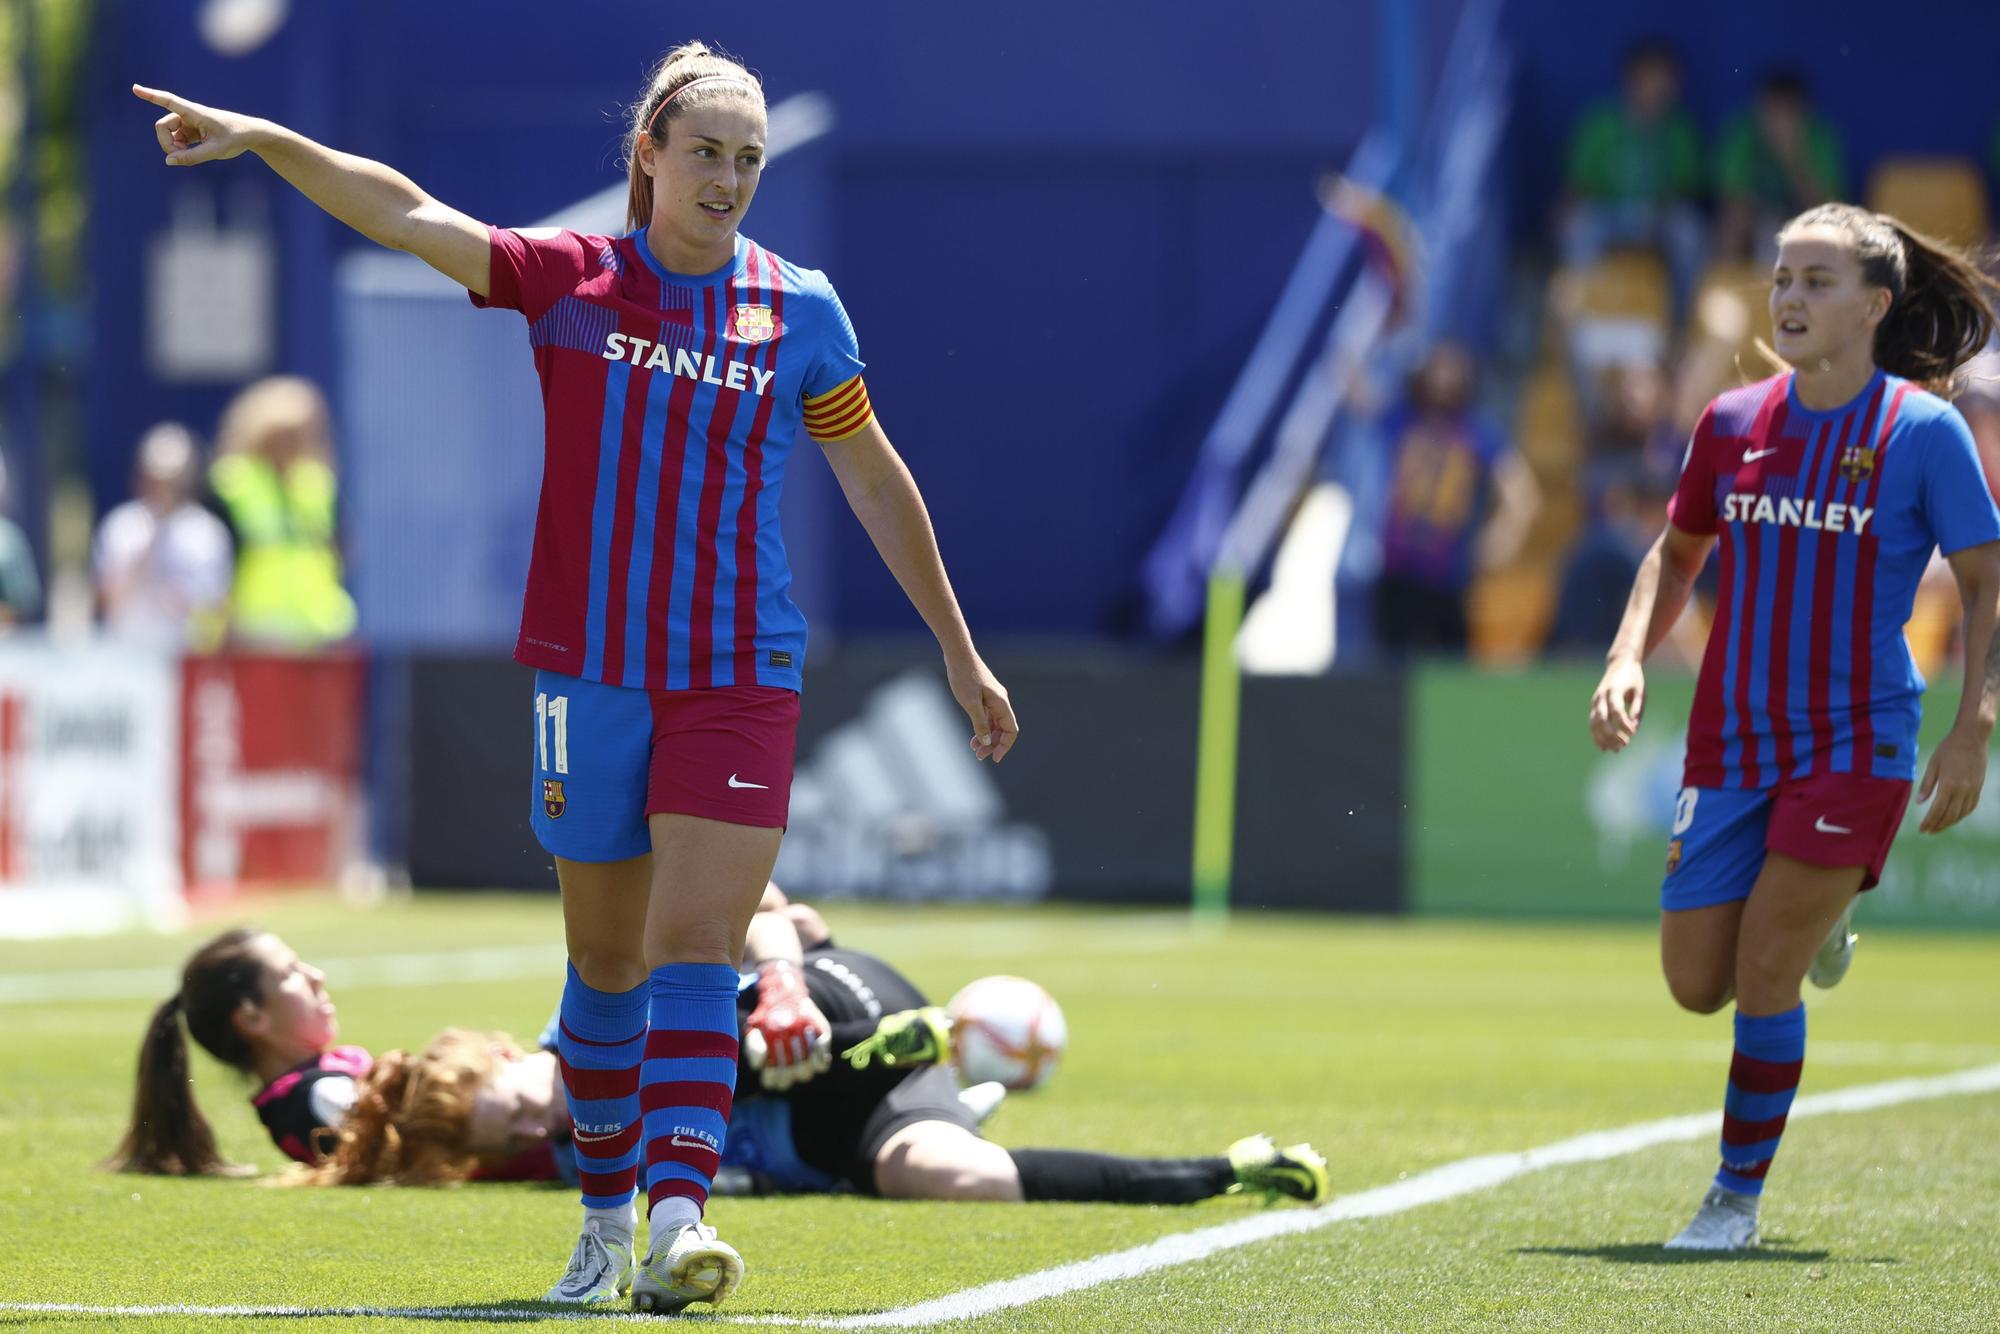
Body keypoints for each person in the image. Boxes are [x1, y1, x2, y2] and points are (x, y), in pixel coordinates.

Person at [136, 39, 1018, 1314]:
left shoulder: (799, 308)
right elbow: (404, 212)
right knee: (604, 966)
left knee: (697, 944)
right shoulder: (573, 280)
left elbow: (875, 478)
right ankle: (604, 1221)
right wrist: (267, 138)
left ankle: (675, 1218)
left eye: (749, 160)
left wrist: (955, 642)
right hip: (590, 670)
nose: (728, 179)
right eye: (706, 152)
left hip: (737, 671)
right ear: (647, 156)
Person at [1587, 203, 2000, 1251]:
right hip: (1731, 738)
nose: (1788, 297)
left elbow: (1985, 581)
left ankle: (1731, 1200)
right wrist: (1626, 653)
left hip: (1854, 740)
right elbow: (1675, 556)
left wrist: (1971, 727)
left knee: (1763, 972)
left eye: (1816, 281)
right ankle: (1822, 922)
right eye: (1780, 277)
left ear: (1874, 303)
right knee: (1695, 983)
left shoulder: (1921, 432)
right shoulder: (1729, 424)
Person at [304, 895, 1329, 1211]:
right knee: (947, 1176)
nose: (547, 1121)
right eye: (522, 1134)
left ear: (508, 1046)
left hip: (834, 1008)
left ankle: (909, 1041)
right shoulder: (565, 1148)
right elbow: (384, 1133)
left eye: (526, 1097)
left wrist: (786, 970)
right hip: (859, 1117)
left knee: (686, 1046)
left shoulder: (600, 1011)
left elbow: (759, 902)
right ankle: (1222, 1168)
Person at [1370, 342, 1521, 657]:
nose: (1443, 380)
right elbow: (1362, 398)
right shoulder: (1404, 420)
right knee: (1389, 668)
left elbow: (1521, 494)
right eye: (1437, 370)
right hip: (1397, 569)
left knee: (1449, 666)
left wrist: (1499, 539)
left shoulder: (1477, 430)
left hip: (1448, 574)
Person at [1559, 38, 1707, 320]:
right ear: (1632, 80)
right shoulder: (1601, 125)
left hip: (1657, 217)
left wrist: (1655, 210)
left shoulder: (1679, 131)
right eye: (1652, 79)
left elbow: (1685, 191)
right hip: (1608, 214)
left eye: (1666, 80)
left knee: (1689, 232)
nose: (1659, 88)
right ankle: (1580, 326)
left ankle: (1681, 327)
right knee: (1579, 228)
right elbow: (1577, 188)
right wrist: (1569, 214)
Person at [207, 376, 357, 649]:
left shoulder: (318, 487)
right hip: (252, 636)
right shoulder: (233, 486)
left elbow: (338, 553)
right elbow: (215, 565)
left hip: (316, 635)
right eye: (284, 437)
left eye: (304, 435)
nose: (294, 445)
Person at [94, 422, 235, 650]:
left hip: (185, 653)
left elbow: (217, 608)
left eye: (172, 479)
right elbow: (103, 597)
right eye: (154, 477)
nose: (162, 488)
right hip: (126, 652)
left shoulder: (207, 532)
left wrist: (180, 599)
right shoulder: (121, 525)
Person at [1713, 69, 1847, 266]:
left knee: (1786, 235)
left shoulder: (1820, 140)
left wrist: (1794, 157)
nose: (1779, 121)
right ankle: (1725, 287)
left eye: (1788, 111)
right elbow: (1732, 200)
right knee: (1743, 226)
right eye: (1773, 110)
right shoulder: (1743, 135)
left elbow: (1826, 212)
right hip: (1756, 223)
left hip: (1802, 227)